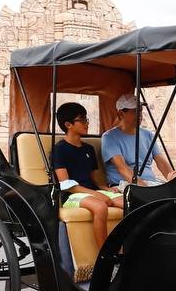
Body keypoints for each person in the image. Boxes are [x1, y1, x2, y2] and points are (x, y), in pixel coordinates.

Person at [51, 102, 125, 251]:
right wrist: (96, 194)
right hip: (70, 195)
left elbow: (94, 180)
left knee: (129, 203)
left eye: (86, 119)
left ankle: (127, 250)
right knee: (100, 207)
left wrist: (107, 190)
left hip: (90, 191)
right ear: (68, 124)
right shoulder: (59, 150)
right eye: (82, 119)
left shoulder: (88, 149)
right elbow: (66, 184)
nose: (87, 123)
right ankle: (104, 258)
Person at [102, 93, 176, 188]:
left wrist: (174, 179)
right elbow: (122, 168)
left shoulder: (149, 135)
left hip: (151, 183)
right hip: (125, 185)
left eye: (140, 110)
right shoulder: (109, 137)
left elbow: (161, 162)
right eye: (134, 111)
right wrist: (145, 189)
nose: (140, 115)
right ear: (120, 114)